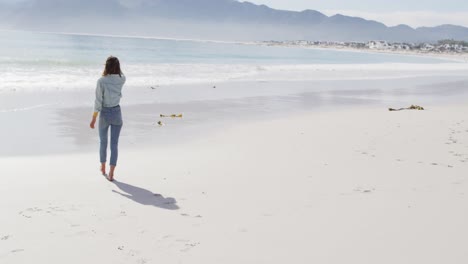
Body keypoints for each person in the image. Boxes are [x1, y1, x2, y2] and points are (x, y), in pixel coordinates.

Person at [89, 56, 126, 182]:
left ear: (106, 66)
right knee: (114, 144)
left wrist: (94, 118)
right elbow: (121, 76)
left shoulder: (101, 81)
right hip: (116, 113)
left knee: (103, 142)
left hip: (104, 114)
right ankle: (111, 173)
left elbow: (98, 101)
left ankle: (103, 168)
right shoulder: (122, 79)